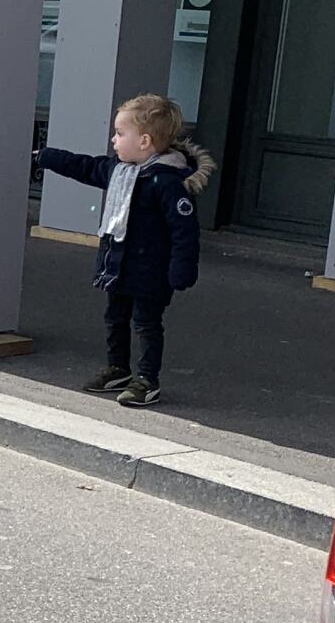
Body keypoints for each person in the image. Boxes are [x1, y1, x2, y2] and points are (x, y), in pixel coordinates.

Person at [35, 93, 214, 409]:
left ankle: (146, 379)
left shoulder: (166, 182)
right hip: (118, 265)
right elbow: (85, 166)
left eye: (120, 134)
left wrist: (182, 269)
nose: (114, 140)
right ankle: (118, 368)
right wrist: (47, 156)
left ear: (144, 141)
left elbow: (184, 231)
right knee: (115, 317)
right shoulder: (119, 171)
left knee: (146, 323)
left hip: (151, 272)